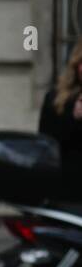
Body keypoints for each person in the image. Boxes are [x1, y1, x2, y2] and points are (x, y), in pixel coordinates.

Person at [38, 37, 82, 187]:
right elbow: (46, 143)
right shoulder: (56, 99)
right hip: (66, 186)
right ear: (76, 66)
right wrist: (74, 118)